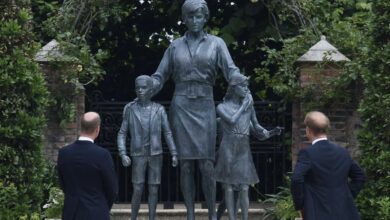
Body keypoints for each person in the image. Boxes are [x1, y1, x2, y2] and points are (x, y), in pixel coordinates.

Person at [150, 1, 245, 219]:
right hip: (181, 106)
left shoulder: (217, 43)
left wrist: (240, 82)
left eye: (199, 16)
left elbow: (231, 71)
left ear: (205, 18)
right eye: (190, 17)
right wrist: (148, 88)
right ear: (184, 18)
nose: (195, 21)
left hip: (204, 105)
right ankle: (191, 213)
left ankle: (212, 213)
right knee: (185, 165)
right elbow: (160, 76)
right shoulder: (174, 46)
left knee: (206, 164)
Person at [214, 75, 282, 220]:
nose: (246, 89)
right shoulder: (221, 107)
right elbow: (232, 121)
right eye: (243, 86)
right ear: (234, 88)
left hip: (243, 148)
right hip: (228, 147)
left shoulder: (248, 107)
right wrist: (244, 106)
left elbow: (256, 127)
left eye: (247, 86)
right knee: (229, 187)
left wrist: (270, 132)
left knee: (244, 187)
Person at [117, 75, 178, 220]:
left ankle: (152, 218)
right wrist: (123, 153)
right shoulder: (130, 110)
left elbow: (167, 132)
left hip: (156, 154)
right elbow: (122, 133)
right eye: (137, 87)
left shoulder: (159, 109)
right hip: (138, 154)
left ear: (151, 90)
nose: (140, 90)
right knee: (137, 189)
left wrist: (174, 152)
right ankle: (133, 218)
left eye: (143, 87)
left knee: (154, 189)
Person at [291, 111, 366, 220]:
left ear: (308, 130)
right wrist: (347, 195)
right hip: (345, 212)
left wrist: (301, 205)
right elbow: (360, 176)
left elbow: (297, 179)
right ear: (326, 130)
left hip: (317, 212)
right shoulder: (342, 152)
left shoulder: (307, 153)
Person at [57, 112, 118, 220]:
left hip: (71, 213)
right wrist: (101, 206)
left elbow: (63, 184)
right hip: (96, 213)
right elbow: (112, 190)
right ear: (97, 129)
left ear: (81, 127)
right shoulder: (102, 155)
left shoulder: (63, 153)